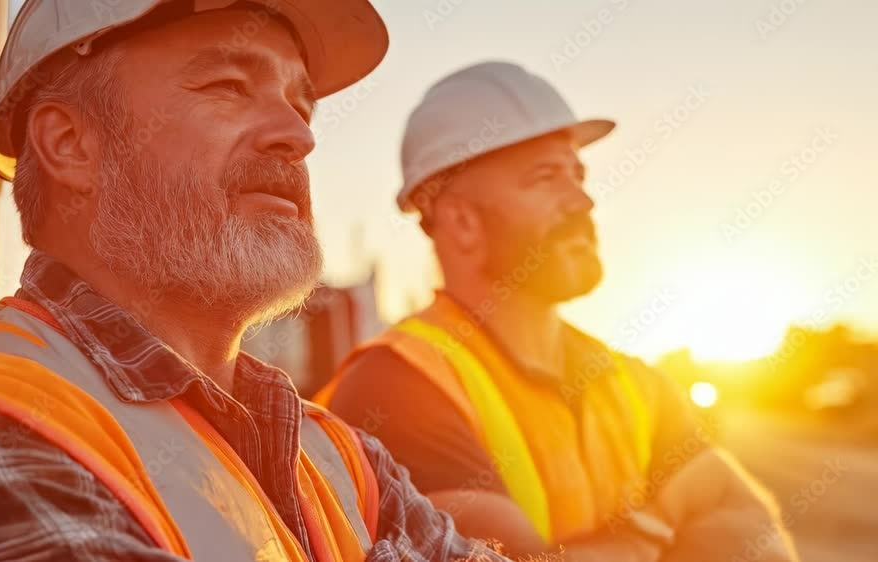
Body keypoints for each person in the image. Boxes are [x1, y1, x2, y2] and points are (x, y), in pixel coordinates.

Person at [0, 3, 515, 561]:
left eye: (301, 104)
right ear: (70, 143)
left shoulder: (344, 459)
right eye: (230, 85)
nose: (297, 135)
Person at [316, 61, 799, 562]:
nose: (583, 202)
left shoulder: (633, 382)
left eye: (578, 174)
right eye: (546, 178)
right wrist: (655, 541)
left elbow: (750, 530)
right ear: (461, 222)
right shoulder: (397, 386)